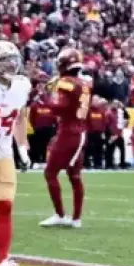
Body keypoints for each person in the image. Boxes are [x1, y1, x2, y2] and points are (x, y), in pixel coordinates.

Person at [0, 41, 31, 266]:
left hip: (2, 153)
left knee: (5, 205)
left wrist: (22, 149)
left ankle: (3, 261)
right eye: (5, 59)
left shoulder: (22, 86)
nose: (11, 64)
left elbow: (20, 118)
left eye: (14, 59)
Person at [39, 48, 91, 229]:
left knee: (50, 173)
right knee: (74, 176)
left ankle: (60, 215)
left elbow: (60, 107)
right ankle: (76, 219)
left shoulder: (66, 82)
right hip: (80, 131)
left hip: (68, 132)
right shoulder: (85, 83)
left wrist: (46, 96)